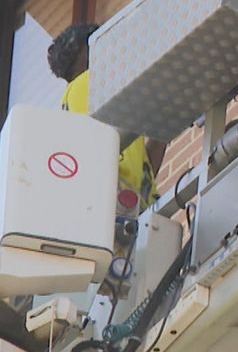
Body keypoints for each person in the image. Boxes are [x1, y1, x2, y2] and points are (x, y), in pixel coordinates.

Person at [47, 23, 166, 219]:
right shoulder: (87, 82)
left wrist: (162, 128)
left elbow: (145, 169)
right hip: (122, 211)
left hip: (127, 211)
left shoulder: (85, 99)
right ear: (88, 51)